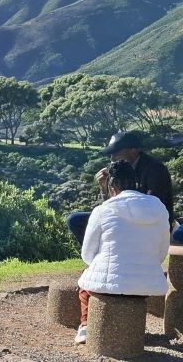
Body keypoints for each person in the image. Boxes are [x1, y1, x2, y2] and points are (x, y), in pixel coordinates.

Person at [75, 160, 169, 345]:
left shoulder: (103, 210)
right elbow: (161, 253)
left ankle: (85, 326)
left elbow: (87, 256)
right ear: (136, 183)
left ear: (111, 188)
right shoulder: (159, 208)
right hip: (147, 286)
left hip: (107, 287)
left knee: (84, 289)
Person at [67, 130, 173, 246]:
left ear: (133, 150)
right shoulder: (118, 168)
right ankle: (101, 256)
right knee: (75, 220)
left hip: (151, 222)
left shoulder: (154, 169)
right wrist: (104, 187)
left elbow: (153, 207)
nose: (112, 158)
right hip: (125, 216)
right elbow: (108, 205)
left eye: (116, 153)